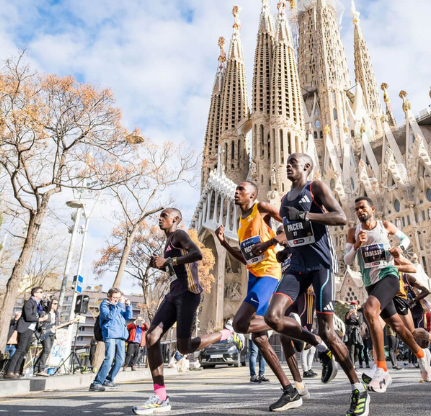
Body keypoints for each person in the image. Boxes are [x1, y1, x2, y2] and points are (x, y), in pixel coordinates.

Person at [262, 153, 369, 416]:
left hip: (321, 265)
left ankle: (358, 389)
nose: (288, 165)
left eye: (293, 162)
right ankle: (319, 347)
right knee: (273, 318)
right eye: (286, 162)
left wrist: (306, 215)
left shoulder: (316, 187)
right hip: (297, 266)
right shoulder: (285, 199)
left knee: (329, 330)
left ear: (307, 167)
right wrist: (278, 247)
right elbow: (292, 232)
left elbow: (341, 217)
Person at [215, 181, 310, 411]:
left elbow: (291, 227)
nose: (236, 192)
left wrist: (270, 242)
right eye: (236, 189)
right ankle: (291, 392)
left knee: (239, 323)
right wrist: (224, 245)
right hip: (254, 277)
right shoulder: (240, 223)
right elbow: (247, 259)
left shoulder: (262, 209)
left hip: (269, 273)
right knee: (259, 338)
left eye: (241, 189)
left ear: (252, 195)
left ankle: (290, 325)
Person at [132, 208, 236, 415]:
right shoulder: (168, 241)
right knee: (152, 337)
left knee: (185, 347)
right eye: (160, 216)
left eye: (164, 216)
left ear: (176, 219)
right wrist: (160, 265)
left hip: (188, 293)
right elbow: (177, 268)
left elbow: (196, 254)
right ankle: (160, 397)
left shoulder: (179, 234)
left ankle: (226, 334)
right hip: (173, 293)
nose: (160, 219)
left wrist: (169, 261)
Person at [344, 196, 431, 392]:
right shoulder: (354, 232)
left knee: (369, 310)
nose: (359, 211)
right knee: (397, 326)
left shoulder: (384, 225)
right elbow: (348, 260)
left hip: (389, 275)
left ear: (372, 209)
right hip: (370, 282)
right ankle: (421, 355)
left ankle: (382, 369)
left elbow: (405, 239)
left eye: (363, 207)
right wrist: (357, 246)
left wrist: (398, 249)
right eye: (356, 208)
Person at [91, 288, 132, 391]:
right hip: (110, 334)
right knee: (109, 358)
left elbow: (128, 316)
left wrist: (128, 306)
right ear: (108, 297)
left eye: (118, 298)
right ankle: (96, 382)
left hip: (121, 335)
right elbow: (109, 316)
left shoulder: (118, 306)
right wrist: (118, 305)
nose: (116, 300)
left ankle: (108, 380)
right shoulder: (105, 305)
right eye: (114, 297)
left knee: (120, 359)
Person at [6, 287, 48, 379]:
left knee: (24, 350)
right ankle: (9, 370)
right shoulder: (29, 303)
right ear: (35, 294)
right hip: (25, 328)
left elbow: (43, 310)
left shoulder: (38, 304)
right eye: (40, 292)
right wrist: (40, 319)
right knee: (20, 349)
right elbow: (28, 317)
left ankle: (17, 371)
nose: (42, 294)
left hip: (31, 329)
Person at [34, 299, 58, 377]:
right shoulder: (45, 313)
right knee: (46, 349)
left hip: (53, 334)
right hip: (46, 333)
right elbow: (39, 323)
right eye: (54, 303)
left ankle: (36, 369)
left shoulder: (56, 314)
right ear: (50, 304)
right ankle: (41, 369)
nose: (55, 305)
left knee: (47, 351)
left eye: (57, 304)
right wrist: (42, 329)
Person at [344, 302, 364, 368]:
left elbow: (360, 323)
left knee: (357, 351)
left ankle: (354, 362)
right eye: (352, 306)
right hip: (350, 331)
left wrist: (356, 316)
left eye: (354, 305)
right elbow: (346, 322)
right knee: (351, 349)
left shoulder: (360, 314)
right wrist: (348, 315)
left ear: (357, 306)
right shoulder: (347, 313)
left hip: (357, 332)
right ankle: (352, 365)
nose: (353, 307)